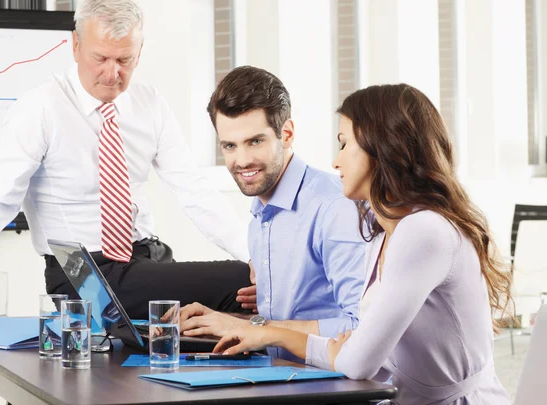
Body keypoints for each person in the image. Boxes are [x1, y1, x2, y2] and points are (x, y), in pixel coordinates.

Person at [0, 0, 255, 367]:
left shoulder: (149, 104)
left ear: (140, 52)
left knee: (254, 282)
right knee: (238, 283)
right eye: (101, 58)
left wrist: (255, 256)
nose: (112, 73)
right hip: (82, 272)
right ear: (75, 46)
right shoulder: (41, 108)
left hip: (146, 262)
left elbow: (194, 190)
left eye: (124, 60)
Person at [213, 83, 512, 404]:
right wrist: (278, 335)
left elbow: (358, 360)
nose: (336, 161)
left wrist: (273, 333)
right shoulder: (381, 231)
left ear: (383, 149)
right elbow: (357, 351)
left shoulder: (423, 230)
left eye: (345, 145)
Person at [179, 66, 366, 362]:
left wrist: (253, 327)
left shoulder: (334, 207)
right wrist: (220, 321)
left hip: (329, 386)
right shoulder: (260, 216)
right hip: (279, 375)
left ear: (287, 134)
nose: (242, 161)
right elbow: (275, 325)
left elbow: (361, 328)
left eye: (255, 141)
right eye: (230, 145)